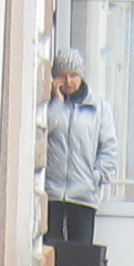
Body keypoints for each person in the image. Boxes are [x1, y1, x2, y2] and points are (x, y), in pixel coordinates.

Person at [43, 45, 116, 245]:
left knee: (79, 256)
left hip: (83, 194)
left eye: (73, 75)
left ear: (81, 76)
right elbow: (45, 130)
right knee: (52, 252)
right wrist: (57, 102)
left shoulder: (99, 108)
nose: (68, 81)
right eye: (63, 76)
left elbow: (108, 147)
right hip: (53, 193)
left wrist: (96, 177)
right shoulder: (49, 106)